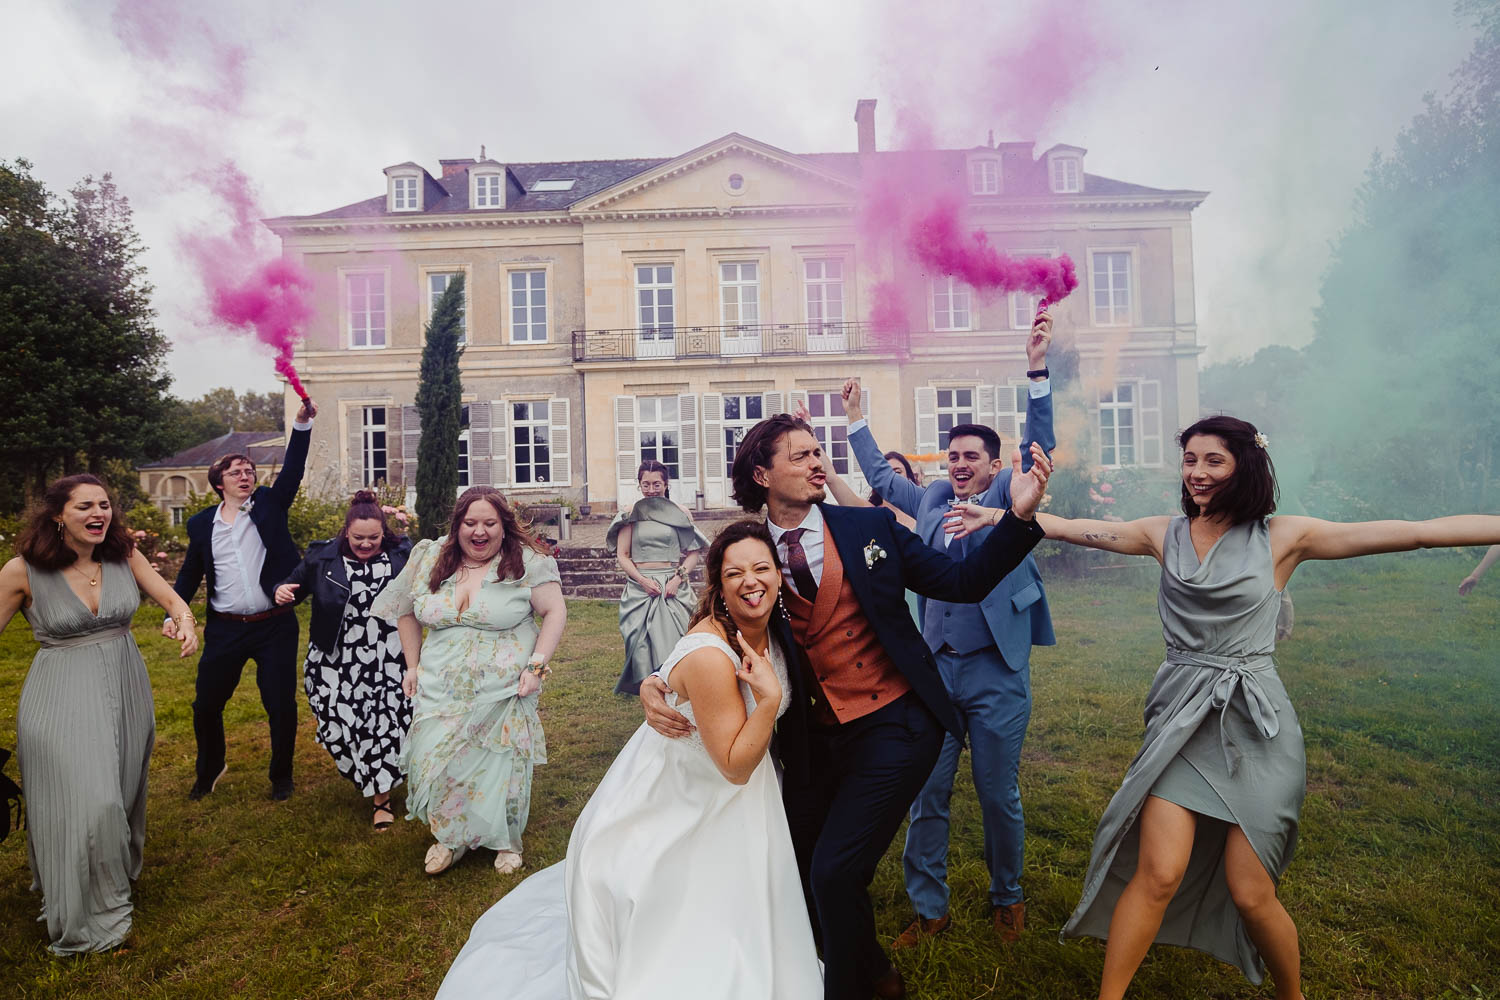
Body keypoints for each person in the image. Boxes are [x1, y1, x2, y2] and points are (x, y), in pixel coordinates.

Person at [946, 414, 1500, 1000]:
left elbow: (1416, 532)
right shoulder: (1163, 534)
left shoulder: (1284, 537)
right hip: (1181, 723)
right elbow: (1079, 529)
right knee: (1158, 872)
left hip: (1256, 726)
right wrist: (1006, 517)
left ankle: (1292, 995)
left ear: (1244, 465)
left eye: (1214, 460)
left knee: (1251, 892)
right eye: (1190, 460)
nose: (1198, 472)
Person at [641, 411, 1053, 1000]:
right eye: (801, 456)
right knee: (803, 871)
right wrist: (659, 679)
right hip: (815, 738)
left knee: (836, 872)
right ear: (762, 474)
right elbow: (715, 619)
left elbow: (962, 582)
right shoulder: (750, 551)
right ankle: (878, 976)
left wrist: (1019, 517)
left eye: (818, 452)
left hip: (898, 723)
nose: (818, 463)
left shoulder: (868, 528)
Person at [435, 520, 823, 1000]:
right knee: (686, 921)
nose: (751, 581)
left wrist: (657, 679)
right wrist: (768, 700)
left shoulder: (774, 628)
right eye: (734, 573)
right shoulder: (712, 654)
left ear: (779, 575)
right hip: (684, 797)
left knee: (744, 908)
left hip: (741, 800)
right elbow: (734, 766)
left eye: (761, 568)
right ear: (718, 588)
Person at [843, 306, 1057, 948]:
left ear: (993, 467)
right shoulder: (932, 498)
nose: (960, 464)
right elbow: (883, 479)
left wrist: (1037, 371)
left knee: (996, 793)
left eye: (971, 457)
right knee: (926, 793)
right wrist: (855, 420)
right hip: (934, 669)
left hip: (995, 668)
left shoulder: (1007, 496)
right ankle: (929, 908)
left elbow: (1037, 451)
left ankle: (1007, 897)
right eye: (954, 455)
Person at [0, 474, 197, 954]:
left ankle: (104, 881)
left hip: (126, 688)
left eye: (104, 505)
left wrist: (185, 622)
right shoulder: (21, 571)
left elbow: (173, 599)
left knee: (120, 795)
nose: (98, 513)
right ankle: (86, 915)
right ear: (57, 515)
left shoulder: (125, 555)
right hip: (59, 695)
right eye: (85, 506)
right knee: (93, 803)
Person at [373, 486, 567, 876]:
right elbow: (405, 611)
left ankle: (505, 841)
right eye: (471, 523)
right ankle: (450, 837)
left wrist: (536, 668)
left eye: (489, 523)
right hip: (439, 686)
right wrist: (412, 667)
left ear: (503, 525)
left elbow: (555, 612)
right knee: (440, 759)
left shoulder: (527, 561)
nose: (480, 532)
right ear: (457, 525)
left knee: (499, 763)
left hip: (504, 688)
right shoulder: (430, 556)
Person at [165, 397, 316, 802]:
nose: (245, 476)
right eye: (235, 472)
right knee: (206, 705)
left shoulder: (269, 505)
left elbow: (293, 471)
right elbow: (190, 573)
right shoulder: (201, 525)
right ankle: (209, 770)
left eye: (249, 471)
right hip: (225, 629)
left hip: (274, 626)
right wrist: (173, 612)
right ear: (219, 483)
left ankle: (281, 777)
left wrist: (302, 424)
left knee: (280, 705)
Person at [273, 490, 414, 830]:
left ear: (384, 532)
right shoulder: (322, 557)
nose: (366, 544)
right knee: (339, 722)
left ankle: (381, 800)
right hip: (336, 657)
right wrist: (281, 591)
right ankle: (365, 773)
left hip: (389, 655)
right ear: (346, 532)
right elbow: (292, 586)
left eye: (373, 538)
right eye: (358, 538)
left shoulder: (402, 553)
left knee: (383, 724)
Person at [608, 459, 707, 695]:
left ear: (666, 484)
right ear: (639, 484)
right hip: (641, 587)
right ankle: (650, 693)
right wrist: (642, 581)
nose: (651, 489)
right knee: (640, 645)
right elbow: (622, 555)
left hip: (672, 586)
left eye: (656, 484)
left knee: (678, 640)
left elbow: (693, 553)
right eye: (646, 484)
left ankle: (679, 688)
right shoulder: (630, 514)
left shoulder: (680, 513)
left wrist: (677, 579)